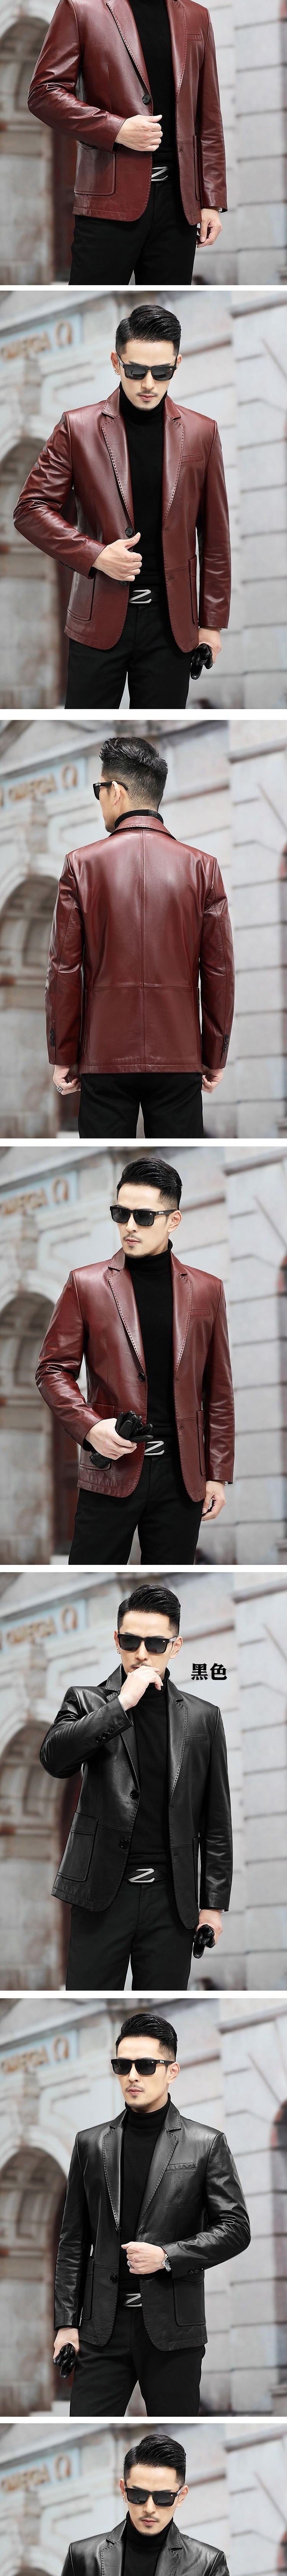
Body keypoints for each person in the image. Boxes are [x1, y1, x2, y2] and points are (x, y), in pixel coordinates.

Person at [13, 303, 231, 713]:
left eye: (162, 372)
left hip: (173, 626)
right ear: (116, 363)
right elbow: (30, 508)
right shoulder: (77, 428)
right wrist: (96, 555)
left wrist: (212, 623)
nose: (149, 384)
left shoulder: (203, 433)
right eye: (136, 371)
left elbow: (216, 536)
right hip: (97, 617)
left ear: (177, 364)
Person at [35, 1153, 235, 1566]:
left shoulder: (208, 1290)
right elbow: (52, 1369)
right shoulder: (86, 1284)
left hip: (183, 1477)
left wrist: (217, 1473)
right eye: (120, 1213)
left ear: (173, 1220)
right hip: (111, 1469)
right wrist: (91, 1427)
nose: (129, 1226)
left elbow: (219, 1391)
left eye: (143, 1216)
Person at [52, 2008, 251, 2415]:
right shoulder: (90, 2144)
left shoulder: (205, 2143)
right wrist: (67, 2323)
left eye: (145, 2065)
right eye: (122, 2066)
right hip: (101, 2330)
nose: (133, 2076)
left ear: (172, 2071)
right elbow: (73, 2242)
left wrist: (167, 2256)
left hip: (172, 2329)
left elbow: (236, 2228)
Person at [40, 1579, 233, 1990]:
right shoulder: (87, 1702)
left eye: (156, 1644)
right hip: (100, 1894)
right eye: (130, 1641)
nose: (142, 1653)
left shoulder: (204, 1718)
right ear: (117, 1641)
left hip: (172, 1901)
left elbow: (217, 1820)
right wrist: (122, 1704)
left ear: (175, 1647)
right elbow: (54, 1760)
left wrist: (213, 1905)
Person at [47, 732, 235, 1141]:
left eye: (99, 789)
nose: (99, 799)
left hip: (103, 1056)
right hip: (180, 1055)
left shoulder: (80, 866)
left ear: (116, 791)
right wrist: (214, 1052)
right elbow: (219, 971)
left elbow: (64, 970)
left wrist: (63, 1054)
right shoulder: (203, 868)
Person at [28, 1, 227, 291]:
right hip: (109, 198)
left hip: (180, 205)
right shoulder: (81, 7)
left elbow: (209, 119)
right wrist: (117, 129)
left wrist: (211, 202)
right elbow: (44, 93)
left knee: (163, 302)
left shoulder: (198, 16)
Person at [59, 2429, 230, 2576]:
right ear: (123, 2490)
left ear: (181, 2496)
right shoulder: (82, 2557)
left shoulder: (208, 2564)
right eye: (138, 2495)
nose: (149, 2509)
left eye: (163, 2498)